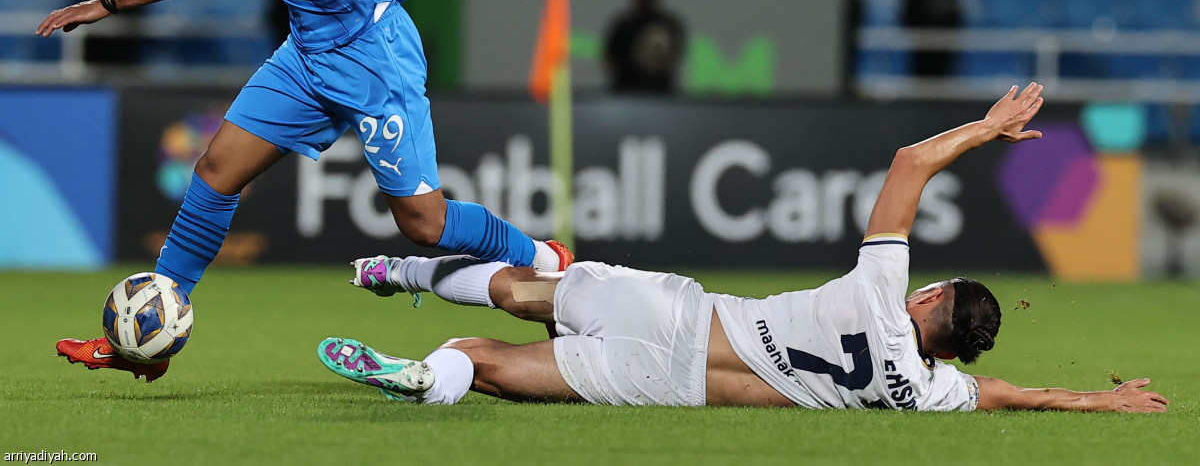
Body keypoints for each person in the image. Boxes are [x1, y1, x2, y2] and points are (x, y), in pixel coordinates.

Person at [39, 0, 572, 382]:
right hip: (308, 52)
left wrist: (106, 4)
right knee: (215, 171)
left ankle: (544, 259)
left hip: (372, 53)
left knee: (425, 225)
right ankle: (148, 331)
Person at [320, 84, 1168, 414]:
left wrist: (985, 128)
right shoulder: (921, 391)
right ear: (951, 352)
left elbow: (909, 164)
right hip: (663, 386)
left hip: (678, 315)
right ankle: (431, 375)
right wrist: (1096, 402)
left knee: (529, 285)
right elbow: (1006, 395)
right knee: (487, 363)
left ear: (930, 299)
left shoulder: (881, 291)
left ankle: (407, 271)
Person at [604, 0, 685, 92]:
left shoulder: (624, 26)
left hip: (630, 95)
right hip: (655, 96)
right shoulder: (670, 26)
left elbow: (609, 61)